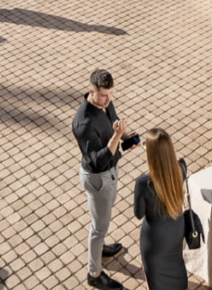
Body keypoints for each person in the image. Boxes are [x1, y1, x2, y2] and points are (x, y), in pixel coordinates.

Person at [72, 68, 138, 290]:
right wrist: (118, 136)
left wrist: (126, 136)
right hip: (98, 178)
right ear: (91, 91)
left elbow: (113, 122)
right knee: (98, 228)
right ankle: (94, 273)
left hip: (111, 170)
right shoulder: (83, 123)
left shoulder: (106, 103)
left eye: (111, 95)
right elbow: (98, 160)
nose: (108, 100)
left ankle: (100, 249)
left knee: (103, 219)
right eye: (103, 95)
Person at [133, 129, 187, 290]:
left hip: (155, 241)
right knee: (177, 267)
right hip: (176, 232)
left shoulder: (143, 183)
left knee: (156, 282)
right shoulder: (181, 167)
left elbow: (139, 214)